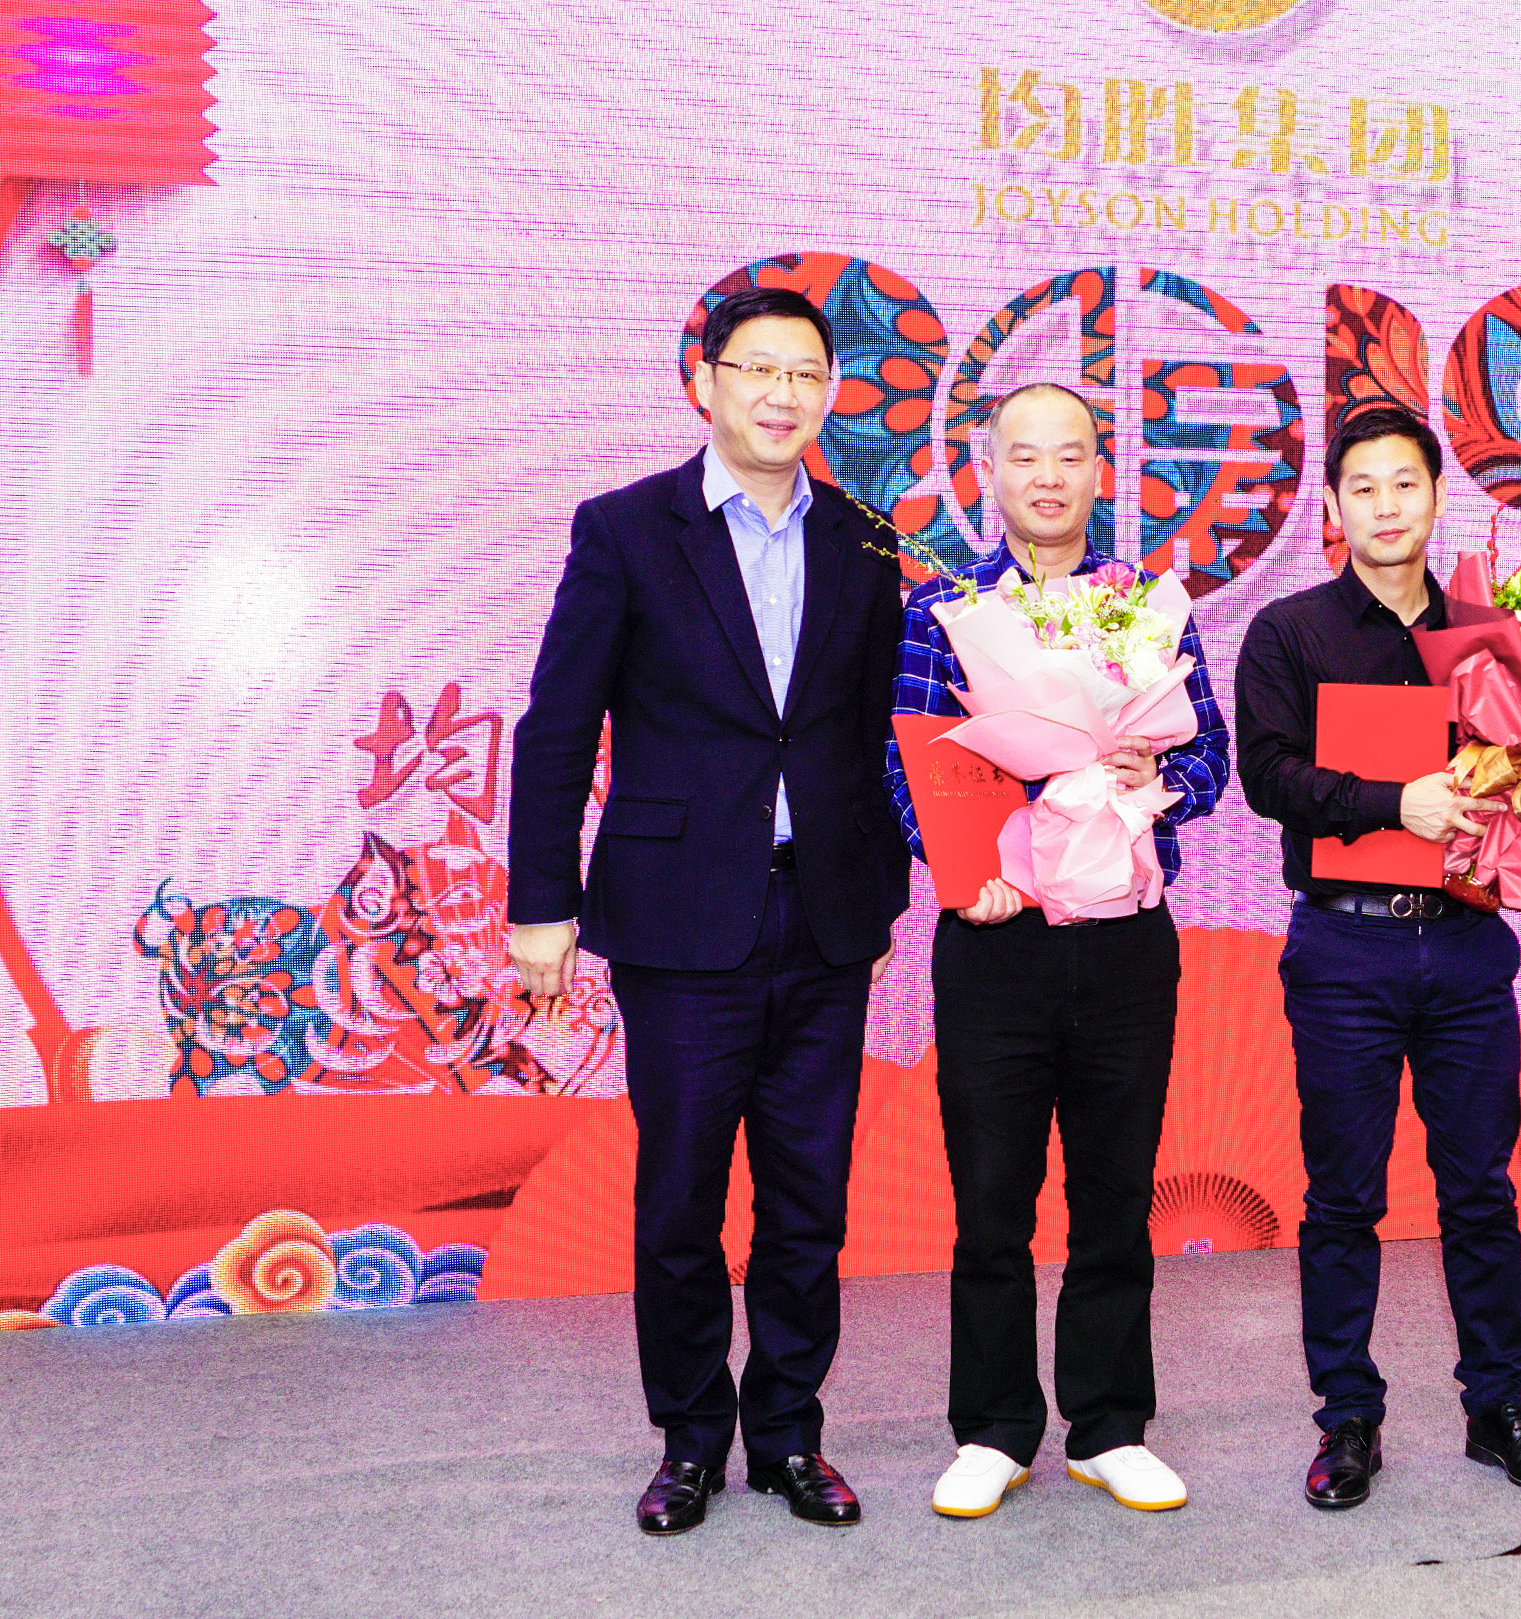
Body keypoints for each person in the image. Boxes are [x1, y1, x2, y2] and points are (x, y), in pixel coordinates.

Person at [508, 285, 909, 1535]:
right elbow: (558, 726)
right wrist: (541, 902)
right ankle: (689, 1438)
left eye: (806, 374)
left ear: (829, 395)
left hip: (824, 917)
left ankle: (789, 1431)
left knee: (809, 1200)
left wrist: (885, 885)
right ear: (705, 382)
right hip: (681, 921)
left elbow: (864, 734)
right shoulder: (628, 528)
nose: (782, 395)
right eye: (758, 370)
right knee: (681, 1196)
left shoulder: (865, 538)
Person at [884, 382, 1229, 1519]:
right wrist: (960, 869)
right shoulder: (942, 609)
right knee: (991, 1195)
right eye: (1024, 456)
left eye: (1069, 455)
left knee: (1115, 1192)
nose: (1046, 476)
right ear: (989, 471)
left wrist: (1154, 776)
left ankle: (1109, 1424)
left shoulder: (1148, 606)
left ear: (1098, 471)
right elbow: (905, 762)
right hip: (995, 940)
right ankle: (992, 1428)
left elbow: (1211, 755)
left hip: (1126, 939)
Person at [1231, 404, 1521, 1511]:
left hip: (1467, 945)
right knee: (1343, 1192)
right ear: (1334, 508)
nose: (1385, 505)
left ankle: (1499, 1406)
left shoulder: (1490, 634)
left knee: (1479, 1186)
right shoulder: (1288, 632)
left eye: (1405, 483)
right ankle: (1347, 1415)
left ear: (1436, 497)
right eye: (1363, 487)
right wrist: (1397, 801)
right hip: (1345, 946)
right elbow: (1267, 777)